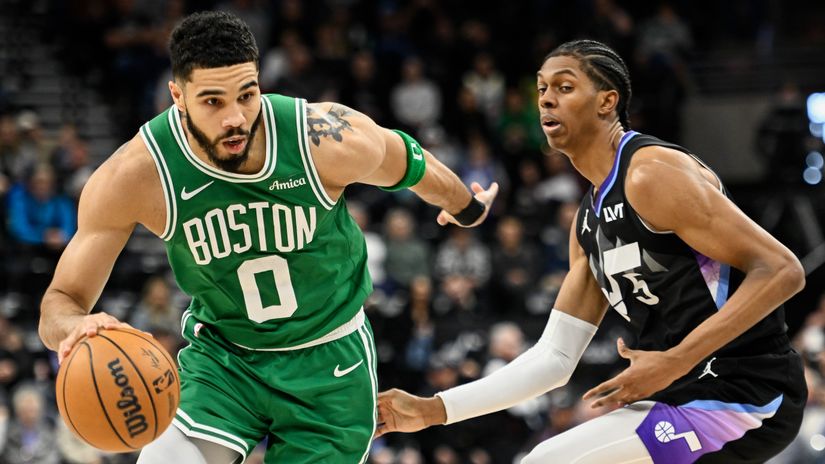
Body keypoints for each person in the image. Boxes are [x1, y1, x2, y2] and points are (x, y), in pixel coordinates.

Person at [37, 11, 498, 464]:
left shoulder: (321, 137)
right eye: (213, 101)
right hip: (224, 362)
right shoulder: (136, 174)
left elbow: (410, 161)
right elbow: (60, 301)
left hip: (329, 362)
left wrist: (467, 207)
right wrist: (75, 327)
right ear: (177, 95)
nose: (235, 117)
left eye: (247, 94)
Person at [376, 39, 807, 464]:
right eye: (541, 89)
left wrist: (675, 361)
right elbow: (555, 358)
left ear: (607, 102)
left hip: (747, 395)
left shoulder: (651, 174)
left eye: (564, 87)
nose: (546, 100)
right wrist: (434, 410)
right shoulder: (587, 222)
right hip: (678, 394)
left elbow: (782, 269)